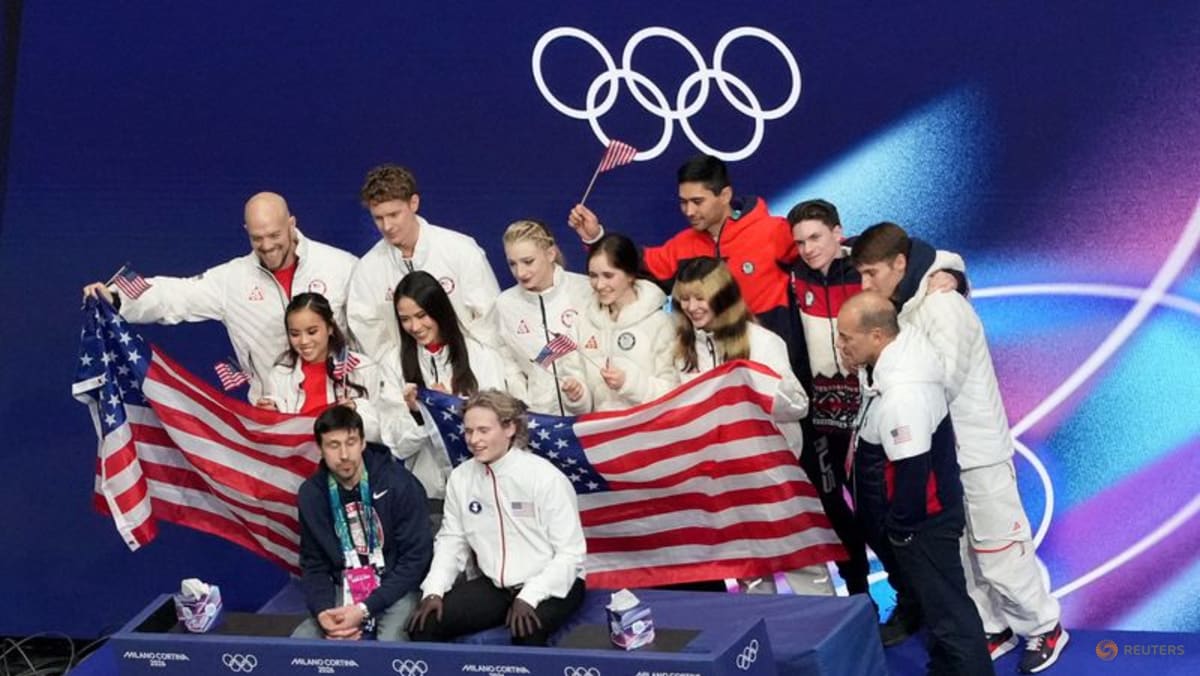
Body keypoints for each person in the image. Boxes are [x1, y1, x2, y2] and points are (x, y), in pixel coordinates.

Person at [852, 222, 1068, 674]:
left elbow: (940, 382)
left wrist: (890, 372)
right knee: (963, 557)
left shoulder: (943, 305)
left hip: (977, 451)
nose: (865, 285)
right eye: (862, 276)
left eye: (872, 274)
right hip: (943, 456)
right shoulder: (908, 303)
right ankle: (993, 629)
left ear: (900, 265)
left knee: (1000, 550)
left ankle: (1044, 627)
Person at [787, 199, 965, 606]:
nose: (808, 249)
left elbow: (922, 256)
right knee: (842, 513)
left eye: (816, 237)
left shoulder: (866, 266)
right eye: (799, 242)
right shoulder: (795, 274)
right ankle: (859, 596)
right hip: (822, 418)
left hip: (874, 409)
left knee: (889, 511)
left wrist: (951, 274)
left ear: (837, 233)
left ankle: (913, 598)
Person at [836, 292, 993, 675]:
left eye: (846, 337)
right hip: (921, 520)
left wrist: (902, 530)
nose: (839, 345)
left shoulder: (904, 393)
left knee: (950, 614)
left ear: (876, 336)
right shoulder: (891, 360)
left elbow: (912, 470)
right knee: (940, 612)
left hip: (923, 524)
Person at [81, 192, 358, 402]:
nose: (267, 245)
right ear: (246, 232)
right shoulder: (232, 280)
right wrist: (117, 298)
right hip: (275, 426)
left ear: (292, 223)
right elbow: (175, 295)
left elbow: (373, 336)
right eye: (257, 238)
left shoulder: (341, 267)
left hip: (344, 421)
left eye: (274, 235)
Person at [671, 257, 833, 596]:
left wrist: (753, 388)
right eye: (684, 298)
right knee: (751, 575)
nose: (692, 307)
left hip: (773, 478)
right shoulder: (685, 352)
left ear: (722, 294)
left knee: (803, 565)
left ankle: (825, 637)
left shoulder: (761, 342)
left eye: (700, 297)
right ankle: (765, 643)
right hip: (726, 484)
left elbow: (798, 405)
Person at [407, 390, 586, 646]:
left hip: (554, 583)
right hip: (496, 586)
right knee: (424, 625)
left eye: (483, 430)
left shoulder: (545, 478)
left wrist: (530, 596)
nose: (474, 440)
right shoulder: (461, 478)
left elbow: (571, 554)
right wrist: (434, 589)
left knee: (526, 632)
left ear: (510, 428)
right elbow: (451, 540)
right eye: (468, 431)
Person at [567, 154, 798, 344]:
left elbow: (823, 264)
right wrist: (595, 237)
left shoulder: (773, 232)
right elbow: (633, 265)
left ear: (725, 195)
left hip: (771, 363)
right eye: (683, 202)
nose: (688, 211)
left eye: (697, 202)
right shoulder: (682, 245)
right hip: (710, 370)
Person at [294, 405, 432, 642]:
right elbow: (314, 565)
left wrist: (365, 608)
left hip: (397, 587)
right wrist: (323, 612)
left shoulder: (400, 484)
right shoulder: (312, 494)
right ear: (320, 449)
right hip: (345, 589)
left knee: (391, 643)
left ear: (363, 443)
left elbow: (416, 560)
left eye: (351, 442)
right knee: (301, 641)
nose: (344, 455)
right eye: (334, 445)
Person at [348, 164, 501, 361]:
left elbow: (488, 319)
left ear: (414, 203)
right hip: (408, 380)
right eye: (378, 218)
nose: (387, 226)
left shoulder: (461, 250)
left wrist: (468, 368)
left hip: (469, 374)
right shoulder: (368, 269)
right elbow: (369, 333)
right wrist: (405, 370)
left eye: (394, 215)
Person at [380, 271, 508, 506]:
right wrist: (419, 415)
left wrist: (451, 409)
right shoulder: (393, 362)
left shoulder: (480, 355)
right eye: (405, 319)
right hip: (426, 496)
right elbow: (395, 444)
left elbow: (501, 425)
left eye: (421, 315)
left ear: (439, 310)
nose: (415, 326)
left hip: (483, 489)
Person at [258, 292, 410, 447]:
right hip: (299, 467)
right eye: (295, 334)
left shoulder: (364, 369)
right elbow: (277, 441)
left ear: (330, 327)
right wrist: (270, 414)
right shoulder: (279, 375)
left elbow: (386, 432)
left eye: (312, 332)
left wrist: (358, 412)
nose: (304, 341)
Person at [494, 219, 593, 415]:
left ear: (550, 254)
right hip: (541, 421)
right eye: (512, 264)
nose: (520, 272)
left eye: (528, 261)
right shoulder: (505, 304)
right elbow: (506, 360)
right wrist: (523, 399)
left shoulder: (585, 289)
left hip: (589, 416)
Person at [574, 234, 678, 411]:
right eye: (593, 276)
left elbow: (673, 391)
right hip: (602, 433)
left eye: (608, 275)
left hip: (648, 433)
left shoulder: (660, 323)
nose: (599, 285)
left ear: (630, 275)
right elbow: (583, 400)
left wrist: (628, 383)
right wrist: (576, 396)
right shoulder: (584, 321)